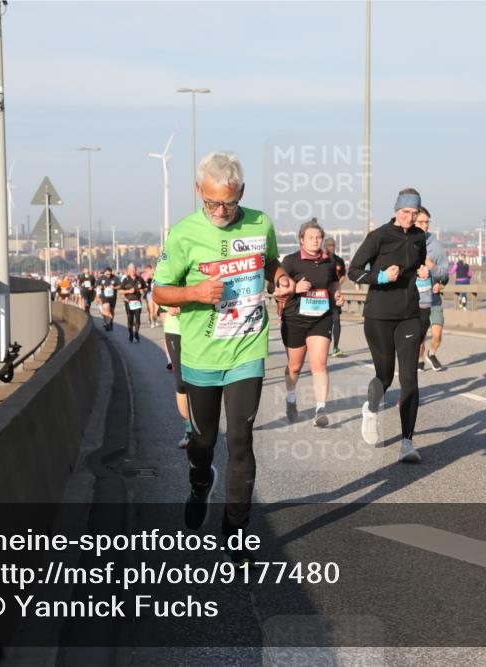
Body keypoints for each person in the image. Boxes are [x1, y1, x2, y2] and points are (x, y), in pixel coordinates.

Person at [152, 152, 293, 566]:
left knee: (241, 440)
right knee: (203, 443)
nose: (219, 211)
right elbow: (161, 291)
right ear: (199, 191)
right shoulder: (183, 234)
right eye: (211, 202)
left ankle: (236, 531)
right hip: (200, 354)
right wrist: (194, 293)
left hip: (246, 348)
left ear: (241, 194)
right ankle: (199, 484)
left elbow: (269, 263)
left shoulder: (260, 223)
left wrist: (279, 278)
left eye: (228, 203)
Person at [348, 187, 428, 463]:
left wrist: (424, 272)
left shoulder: (419, 237)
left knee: (410, 380)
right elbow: (353, 272)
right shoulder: (379, 236)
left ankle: (407, 442)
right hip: (378, 316)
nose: (410, 218)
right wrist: (380, 277)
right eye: (406, 212)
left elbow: (418, 265)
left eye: (414, 213)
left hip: (408, 316)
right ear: (396, 210)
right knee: (385, 376)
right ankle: (371, 409)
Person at [280, 219, 343, 427]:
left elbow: (333, 282)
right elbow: (275, 288)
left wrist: (337, 294)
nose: (316, 241)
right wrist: (295, 288)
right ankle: (291, 398)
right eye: (311, 237)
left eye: (318, 237)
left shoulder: (329, 261)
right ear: (301, 240)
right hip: (295, 319)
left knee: (319, 364)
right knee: (295, 366)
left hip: (321, 317)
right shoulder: (290, 261)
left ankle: (320, 409)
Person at [414, 207, 450, 372]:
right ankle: (420, 358)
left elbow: (444, 274)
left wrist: (438, 279)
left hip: (433, 298)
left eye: (427, 222)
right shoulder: (406, 243)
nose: (425, 225)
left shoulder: (436, 246)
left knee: (437, 333)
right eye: (421, 222)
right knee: (420, 336)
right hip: (415, 299)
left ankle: (432, 353)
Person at [161, 305, 192, 448]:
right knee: (181, 383)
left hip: (200, 329)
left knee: (203, 380)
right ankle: (189, 430)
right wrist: (168, 305)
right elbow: (158, 291)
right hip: (175, 330)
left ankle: (204, 427)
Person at [323, 237, 348, 357]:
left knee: (336, 320)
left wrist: (336, 286)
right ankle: (322, 347)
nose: (330, 247)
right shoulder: (321, 259)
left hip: (334, 295)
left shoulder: (339, 260)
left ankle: (336, 347)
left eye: (332, 245)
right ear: (324, 246)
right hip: (322, 296)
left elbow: (343, 275)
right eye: (328, 245)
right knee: (323, 322)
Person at [120, 263, 148, 342]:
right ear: (128, 271)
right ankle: (131, 334)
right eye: (131, 270)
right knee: (130, 320)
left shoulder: (139, 279)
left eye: (134, 269)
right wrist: (128, 291)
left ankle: (136, 333)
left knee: (138, 319)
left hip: (137, 302)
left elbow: (145, 288)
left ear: (136, 270)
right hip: (128, 302)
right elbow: (120, 291)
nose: (133, 271)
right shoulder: (125, 279)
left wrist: (142, 290)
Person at [143, 264, 159, 328]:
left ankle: (156, 319)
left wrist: (153, 275)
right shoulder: (146, 276)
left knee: (156, 310)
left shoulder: (156, 275)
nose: (148, 271)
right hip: (149, 294)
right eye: (147, 270)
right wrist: (148, 275)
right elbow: (145, 280)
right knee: (151, 310)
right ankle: (152, 322)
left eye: (149, 270)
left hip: (156, 293)